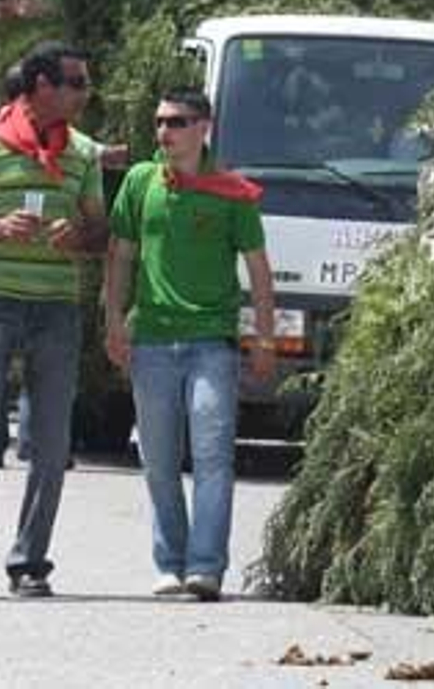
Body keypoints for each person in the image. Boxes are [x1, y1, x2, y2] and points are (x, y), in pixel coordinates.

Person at [0, 41, 108, 599]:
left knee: (52, 443)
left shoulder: (83, 153)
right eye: (75, 83)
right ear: (40, 86)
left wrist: (77, 237)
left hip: (57, 309)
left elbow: (100, 234)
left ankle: (30, 562)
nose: (85, 93)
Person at [104, 90, 274, 601]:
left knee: (212, 457)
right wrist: (114, 321)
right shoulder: (139, 182)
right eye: (159, 122)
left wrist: (263, 338)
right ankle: (168, 563)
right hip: (151, 340)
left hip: (211, 343)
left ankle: (205, 568)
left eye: (176, 122)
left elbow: (260, 272)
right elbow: (120, 256)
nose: (164, 132)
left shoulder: (233, 193)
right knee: (157, 459)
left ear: (204, 127)